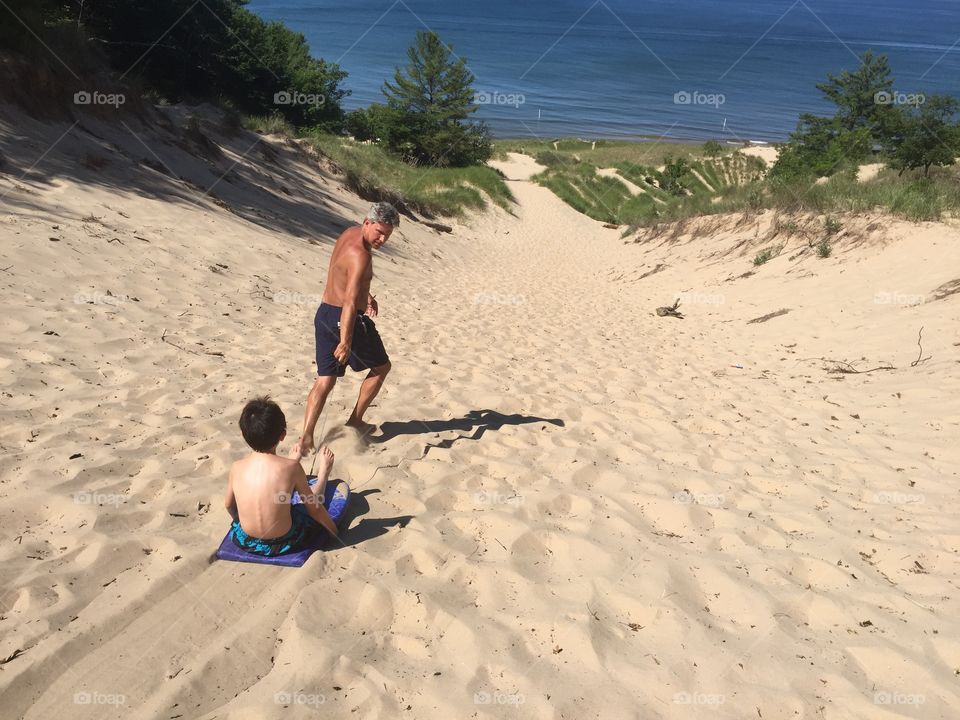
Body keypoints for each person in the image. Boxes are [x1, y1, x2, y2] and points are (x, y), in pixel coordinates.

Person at [297, 202, 400, 456]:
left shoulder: (349, 234)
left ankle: (306, 437)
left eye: (387, 234)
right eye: (379, 231)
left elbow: (343, 276)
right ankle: (355, 421)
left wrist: (367, 295)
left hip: (324, 313)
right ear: (367, 223)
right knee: (382, 367)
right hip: (345, 318)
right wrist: (345, 340)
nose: (383, 238)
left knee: (325, 380)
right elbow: (350, 302)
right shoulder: (362, 255)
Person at [225, 397, 338, 556]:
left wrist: (242, 523)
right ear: (282, 435)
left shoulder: (236, 467)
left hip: (246, 541)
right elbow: (315, 509)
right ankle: (323, 474)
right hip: (285, 542)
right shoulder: (293, 468)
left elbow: (229, 505)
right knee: (305, 500)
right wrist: (334, 533)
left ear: (244, 435)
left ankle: (294, 460)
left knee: (280, 495)